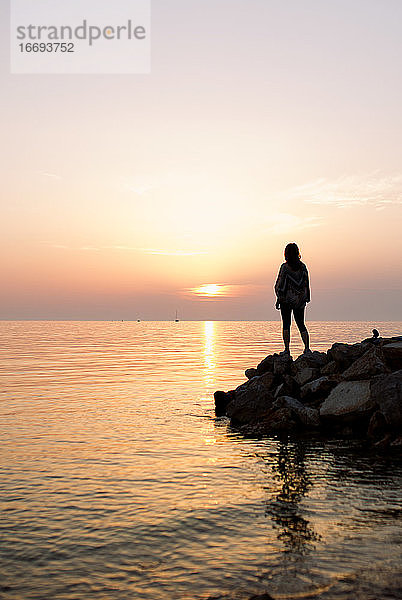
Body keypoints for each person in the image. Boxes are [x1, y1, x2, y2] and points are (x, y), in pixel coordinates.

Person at [274, 243, 311, 356]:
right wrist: (305, 297)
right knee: (301, 324)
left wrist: (279, 298)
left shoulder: (284, 267)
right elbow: (305, 284)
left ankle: (287, 350)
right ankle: (307, 348)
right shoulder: (303, 267)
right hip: (299, 300)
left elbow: (280, 284)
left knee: (286, 324)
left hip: (286, 300)